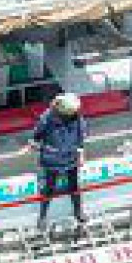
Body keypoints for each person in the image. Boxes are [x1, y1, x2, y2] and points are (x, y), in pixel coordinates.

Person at [31, 91, 88, 230]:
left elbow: (80, 135)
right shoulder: (47, 118)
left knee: (74, 186)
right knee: (48, 188)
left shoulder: (77, 117)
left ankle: (78, 211)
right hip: (52, 160)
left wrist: (80, 153)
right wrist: (41, 147)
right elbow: (36, 137)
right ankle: (43, 217)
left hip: (71, 157)